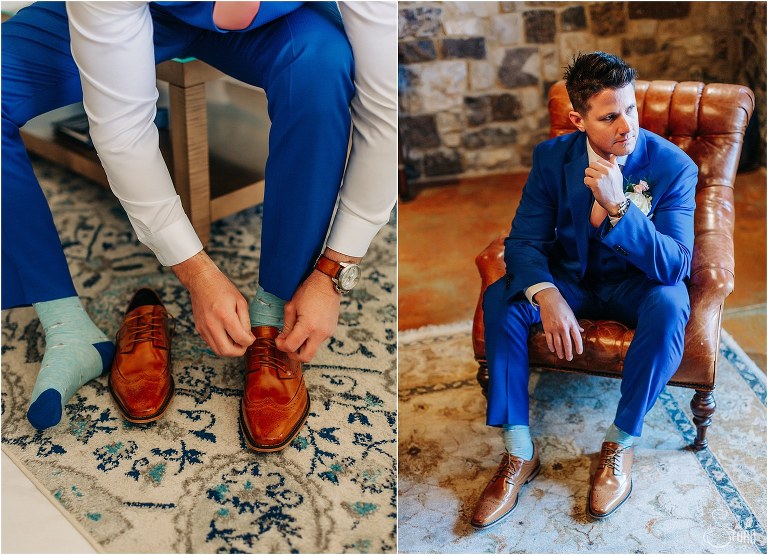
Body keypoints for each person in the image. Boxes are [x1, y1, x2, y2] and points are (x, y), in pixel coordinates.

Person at [1, 1, 397, 453]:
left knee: (322, 63)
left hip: (281, 24)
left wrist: (333, 270)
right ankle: (68, 329)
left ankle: (273, 319)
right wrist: (195, 271)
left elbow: (385, 110)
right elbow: (122, 130)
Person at [471, 51, 697, 527]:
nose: (626, 126)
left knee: (673, 302)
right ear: (578, 119)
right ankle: (518, 452)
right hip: (571, 279)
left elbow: (675, 264)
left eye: (631, 110)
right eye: (610, 116)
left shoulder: (673, 167)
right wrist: (547, 295)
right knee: (502, 297)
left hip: (637, 285)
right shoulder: (552, 158)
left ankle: (620, 442)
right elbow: (525, 241)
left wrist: (620, 211)